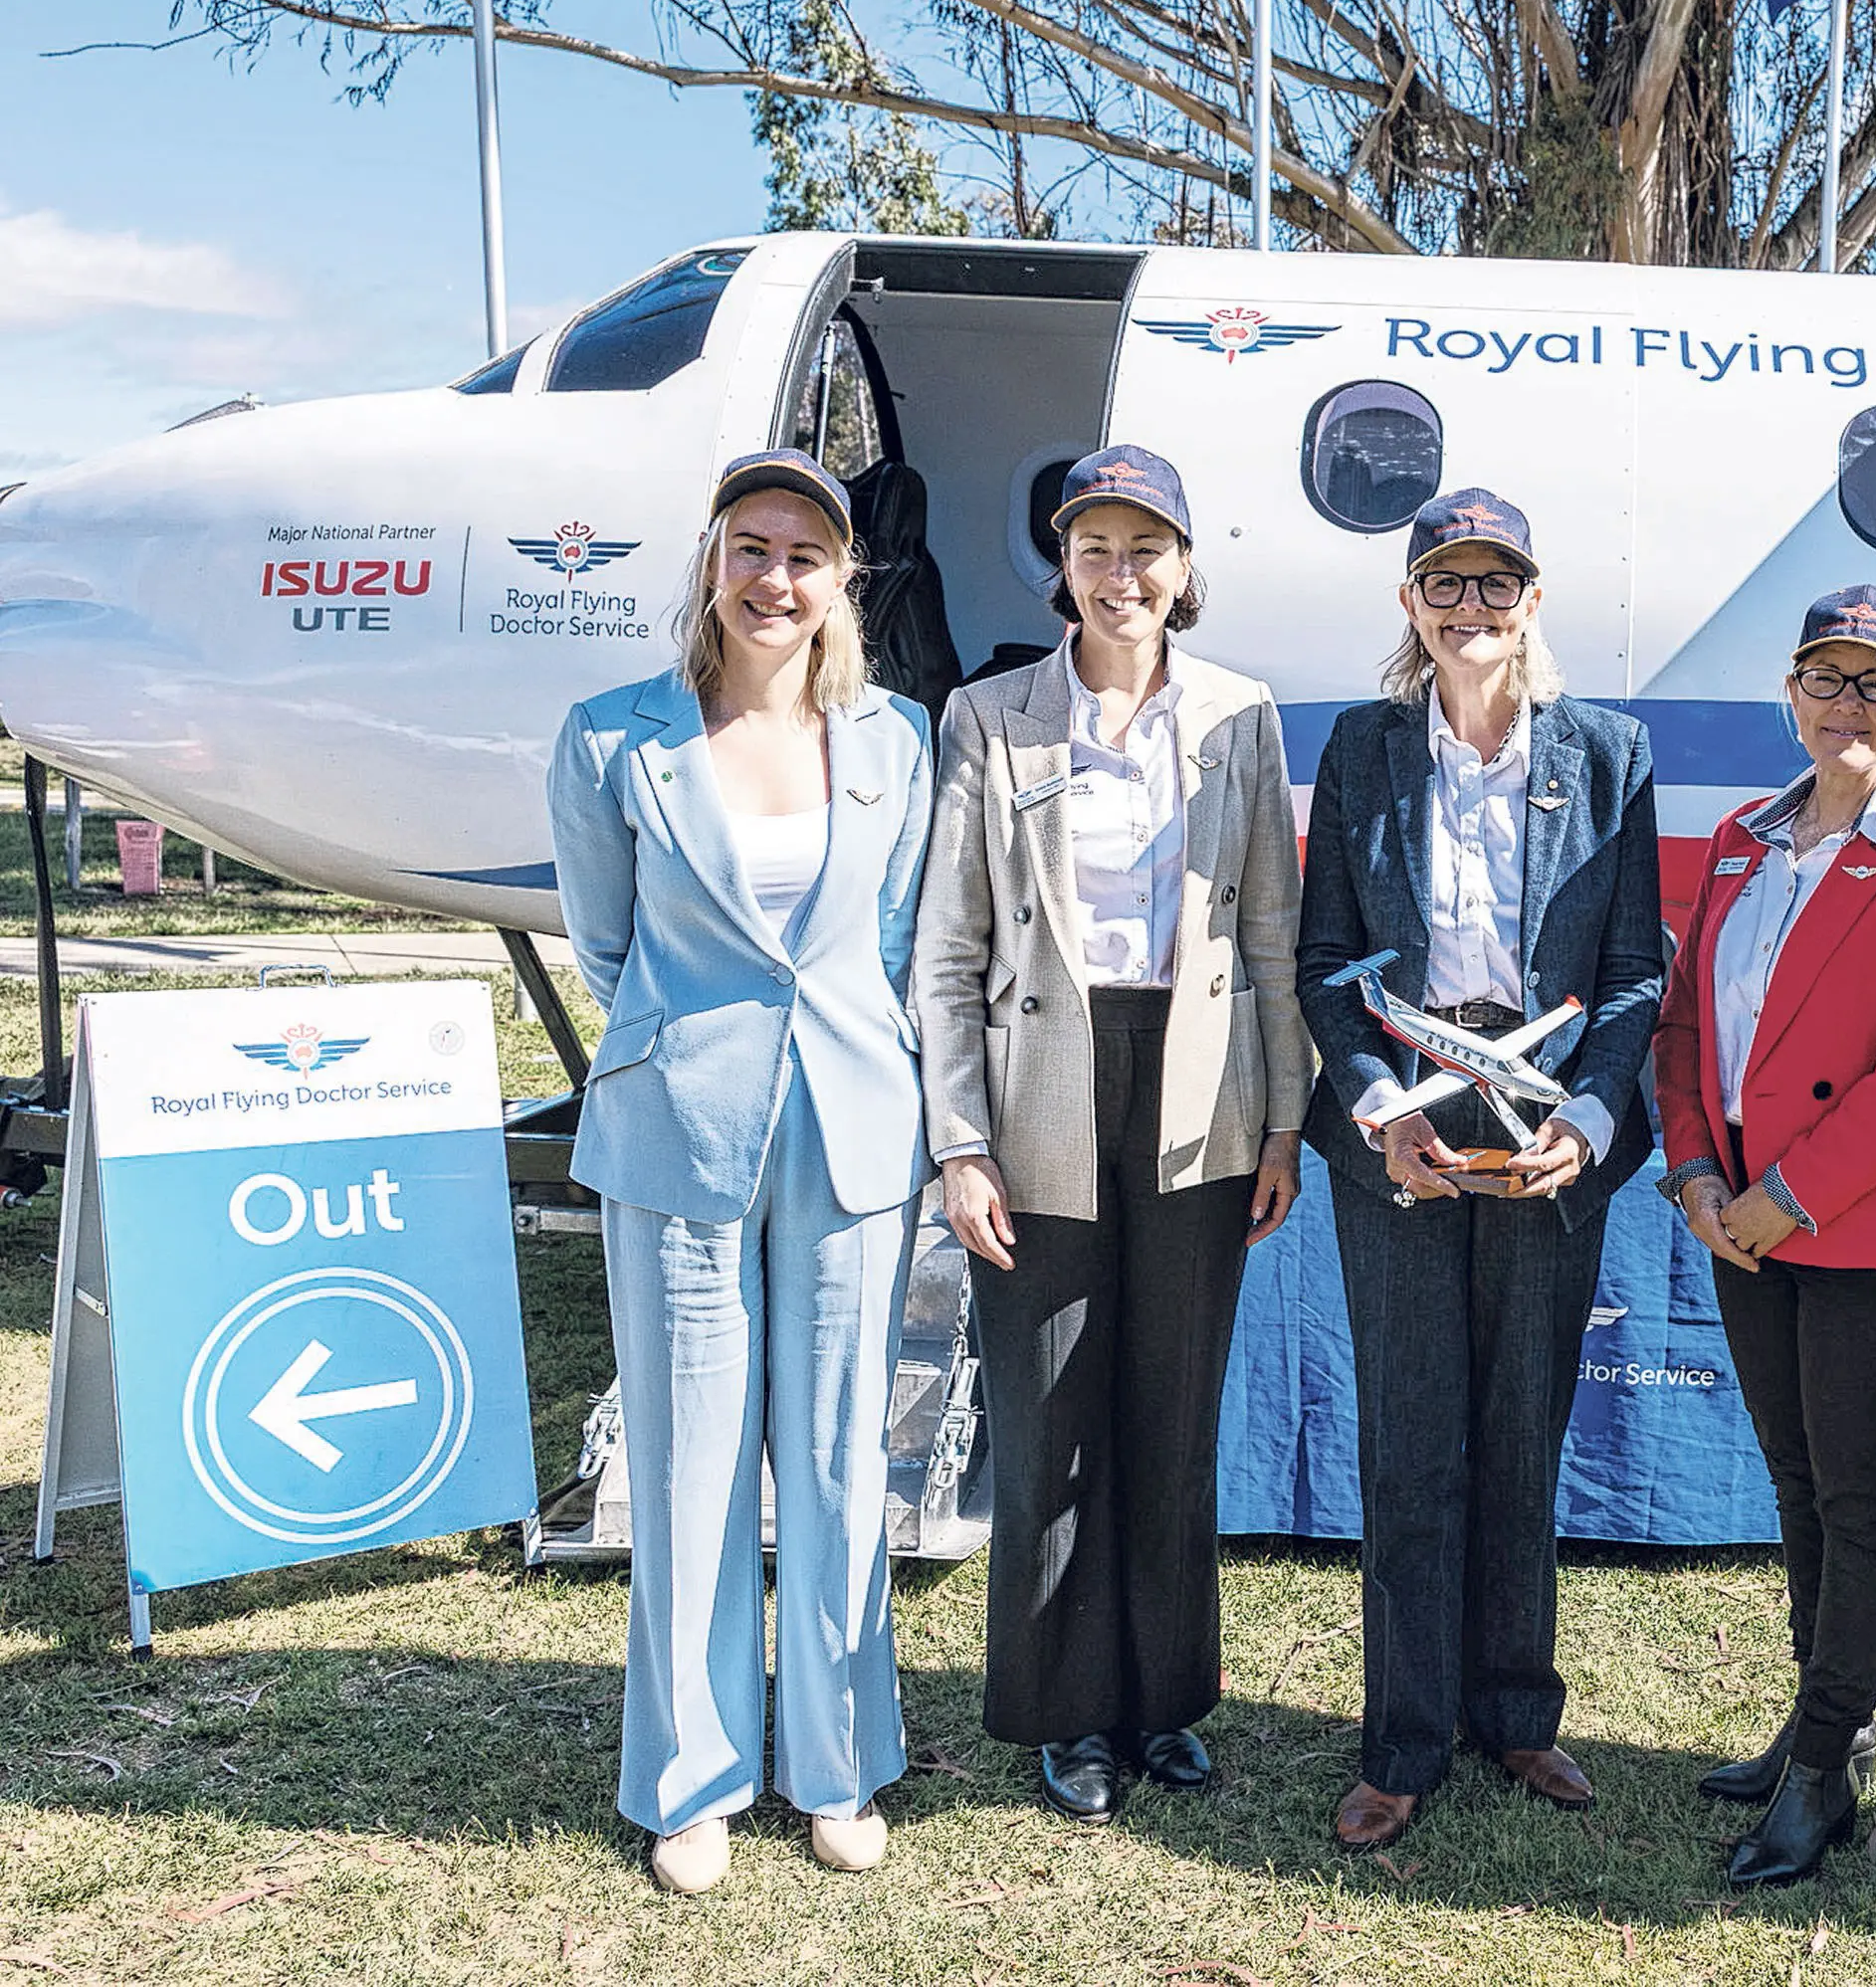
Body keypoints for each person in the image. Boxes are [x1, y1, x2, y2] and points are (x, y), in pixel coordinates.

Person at [545, 449, 933, 1893]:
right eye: (752, 548)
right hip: (676, 1129)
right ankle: (692, 1777)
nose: (776, 578)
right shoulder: (612, 737)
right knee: (690, 1463)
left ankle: (836, 1764)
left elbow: (892, 941)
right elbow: (604, 942)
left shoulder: (897, 739)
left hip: (848, 1127)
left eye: (805, 554)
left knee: (840, 1457)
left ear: (843, 581)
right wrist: (693, 1041)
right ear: (714, 563)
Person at [913, 445, 1311, 1824]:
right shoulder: (989, 717)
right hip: (1044, 1087)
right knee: (1049, 1413)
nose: (1121, 572)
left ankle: (1164, 1697)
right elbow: (949, 948)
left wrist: (1284, 1119)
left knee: (1173, 1409)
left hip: (1200, 1093)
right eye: (1096, 546)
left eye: (1148, 547)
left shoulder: (1240, 717)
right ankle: (1067, 1705)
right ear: (1062, 566)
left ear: (1186, 570)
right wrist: (960, 1140)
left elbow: (1270, 933)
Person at [1295, 487, 1666, 1852]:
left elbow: (1634, 974)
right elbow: (1327, 960)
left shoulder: (1610, 755)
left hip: (1543, 1126)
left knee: (1522, 1425)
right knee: (1410, 1436)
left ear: (1534, 600)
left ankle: (1514, 1709)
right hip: (1403, 1119)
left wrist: (1591, 1114)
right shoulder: (1363, 750)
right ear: (1410, 605)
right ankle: (1400, 1740)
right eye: (1444, 585)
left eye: (1495, 584)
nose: (1470, 609)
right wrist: (1380, 1102)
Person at [1651, 585, 1876, 1888]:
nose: (1847, 703)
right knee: (1798, 1487)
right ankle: (1816, 1724)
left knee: (1858, 1491)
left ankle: (1825, 1762)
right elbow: (1686, 1029)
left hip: (1862, 1226)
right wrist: (1693, 1167)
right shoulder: (1740, 835)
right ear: (1789, 695)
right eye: (1826, 677)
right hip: (1740, 1222)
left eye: (1875, 681)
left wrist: (1784, 1193)